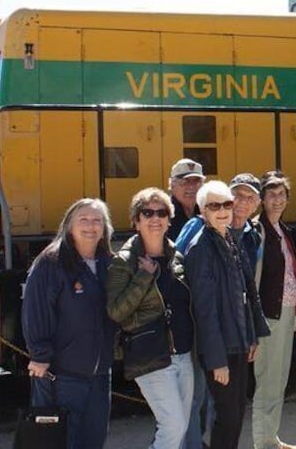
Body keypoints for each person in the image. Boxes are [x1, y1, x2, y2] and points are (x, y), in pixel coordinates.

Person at [22, 198, 117, 449]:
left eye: (97, 220)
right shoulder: (50, 263)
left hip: (99, 376)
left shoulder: (109, 263)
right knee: (62, 442)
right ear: (69, 225)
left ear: (105, 227)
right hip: (62, 376)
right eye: (83, 219)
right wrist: (40, 354)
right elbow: (35, 311)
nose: (91, 226)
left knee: (93, 441)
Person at [180, 172, 263, 448]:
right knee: (227, 416)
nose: (223, 211)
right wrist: (217, 361)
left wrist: (251, 336)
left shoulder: (228, 239)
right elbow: (205, 311)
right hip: (222, 349)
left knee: (236, 413)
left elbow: (245, 294)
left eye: (226, 204)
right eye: (214, 206)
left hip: (236, 342)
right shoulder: (201, 248)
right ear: (203, 211)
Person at [106, 188, 194, 448]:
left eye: (162, 212)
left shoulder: (177, 257)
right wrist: (144, 277)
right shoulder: (123, 262)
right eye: (147, 212)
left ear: (170, 219)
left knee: (180, 428)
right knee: (173, 425)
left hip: (182, 352)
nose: (155, 218)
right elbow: (116, 312)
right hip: (149, 355)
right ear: (136, 220)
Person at [252, 171, 296, 449]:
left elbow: (292, 277)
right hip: (268, 317)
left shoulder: (283, 230)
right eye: (271, 195)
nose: (277, 200)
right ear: (262, 199)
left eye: (281, 194)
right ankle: (261, 442)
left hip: (287, 315)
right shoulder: (259, 231)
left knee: (279, 380)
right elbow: (254, 280)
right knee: (267, 382)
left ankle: (270, 437)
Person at [167, 158, 206, 241]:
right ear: (172, 186)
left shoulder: (206, 212)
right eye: (184, 182)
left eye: (196, 181)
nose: (191, 187)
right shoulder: (164, 214)